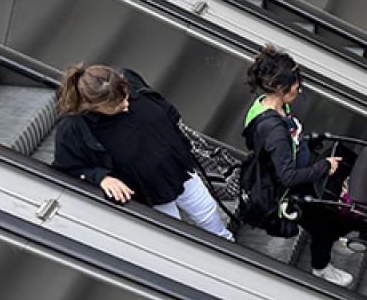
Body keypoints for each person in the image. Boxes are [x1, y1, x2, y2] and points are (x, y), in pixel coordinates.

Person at [52, 64, 233, 240]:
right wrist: (102, 178)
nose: (126, 105)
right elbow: (66, 168)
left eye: (126, 96)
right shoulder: (73, 128)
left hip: (178, 167)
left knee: (207, 210)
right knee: (172, 233)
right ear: (94, 106)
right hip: (146, 189)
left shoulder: (130, 80)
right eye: (116, 105)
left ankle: (225, 240)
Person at [238, 45, 355, 286]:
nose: (299, 89)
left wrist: (306, 144)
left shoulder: (267, 105)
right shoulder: (273, 130)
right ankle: (322, 268)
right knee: (324, 226)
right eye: (295, 84)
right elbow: (288, 177)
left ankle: (331, 241)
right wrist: (324, 166)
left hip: (301, 172)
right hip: (293, 190)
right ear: (278, 87)